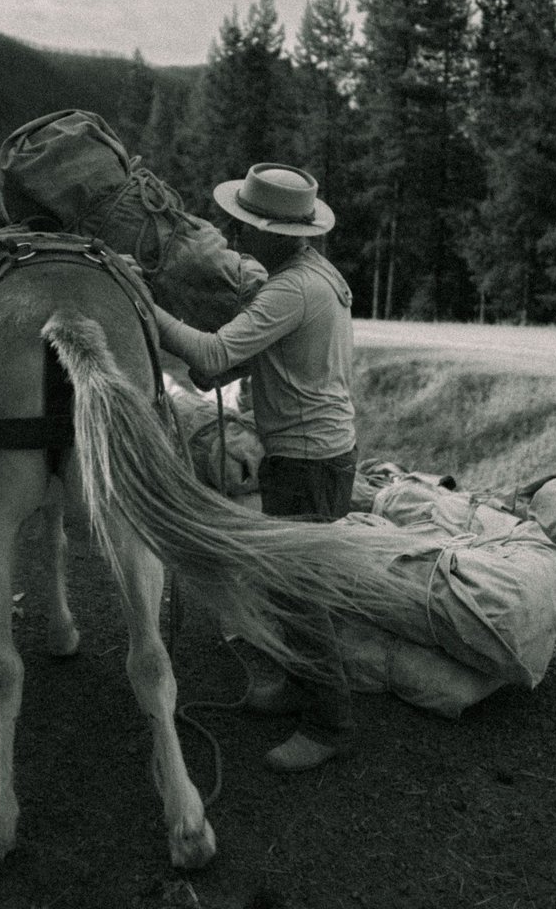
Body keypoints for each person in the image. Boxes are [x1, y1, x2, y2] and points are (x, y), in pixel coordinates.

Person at [149, 162, 357, 773]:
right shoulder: (319, 277)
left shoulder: (290, 289)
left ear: (279, 233)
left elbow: (213, 351)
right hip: (319, 451)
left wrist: (146, 304)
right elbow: (278, 356)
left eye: (246, 227)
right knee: (282, 584)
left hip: (307, 458)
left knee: (299, 595)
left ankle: (331, 725)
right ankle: (299, 686)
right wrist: (231, 369)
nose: (236, 238)